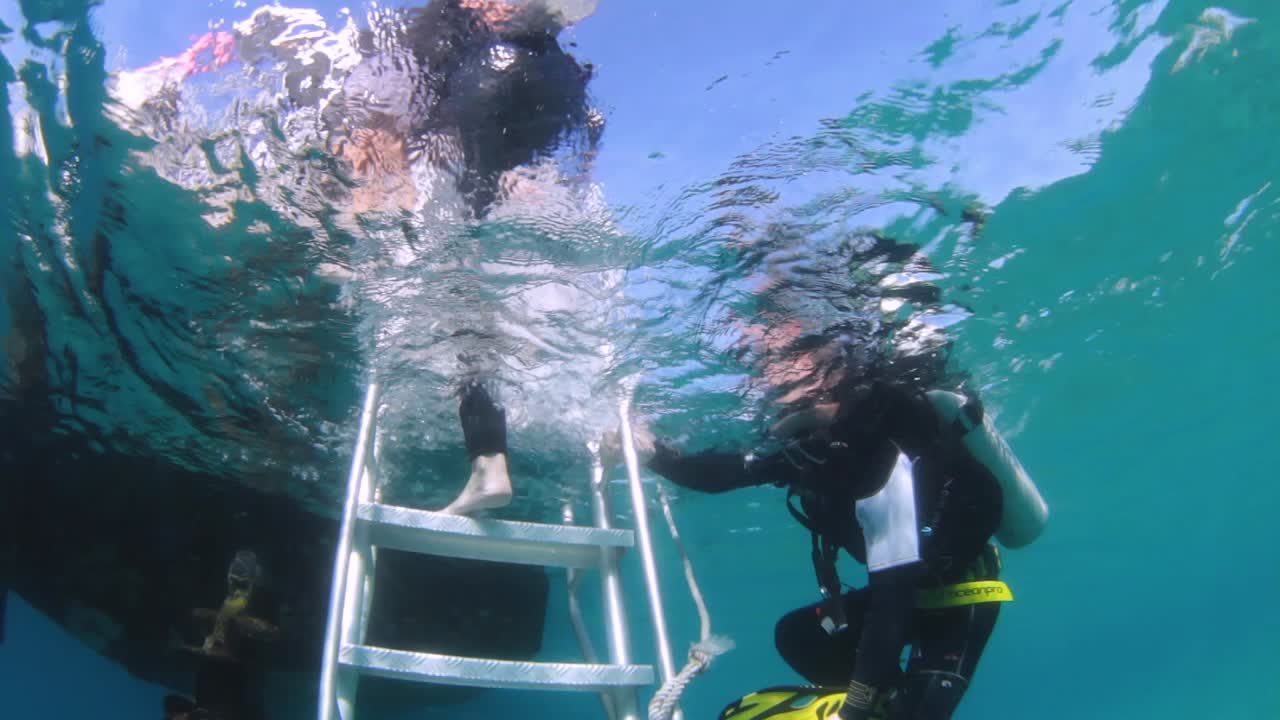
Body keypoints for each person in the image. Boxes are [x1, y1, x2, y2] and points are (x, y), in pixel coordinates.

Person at [630, 314, 1049, 719]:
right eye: (762, 364)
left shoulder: (885, 436)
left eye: (778, 359)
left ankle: (882, 706)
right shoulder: (814, 446)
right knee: (799, 636)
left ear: (826, 363)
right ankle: (884, 703)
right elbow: (728, 473)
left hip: (961, 591)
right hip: (901, 595)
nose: (765, 375)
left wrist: (853, 710)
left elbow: (893, 597)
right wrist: (654, 455)